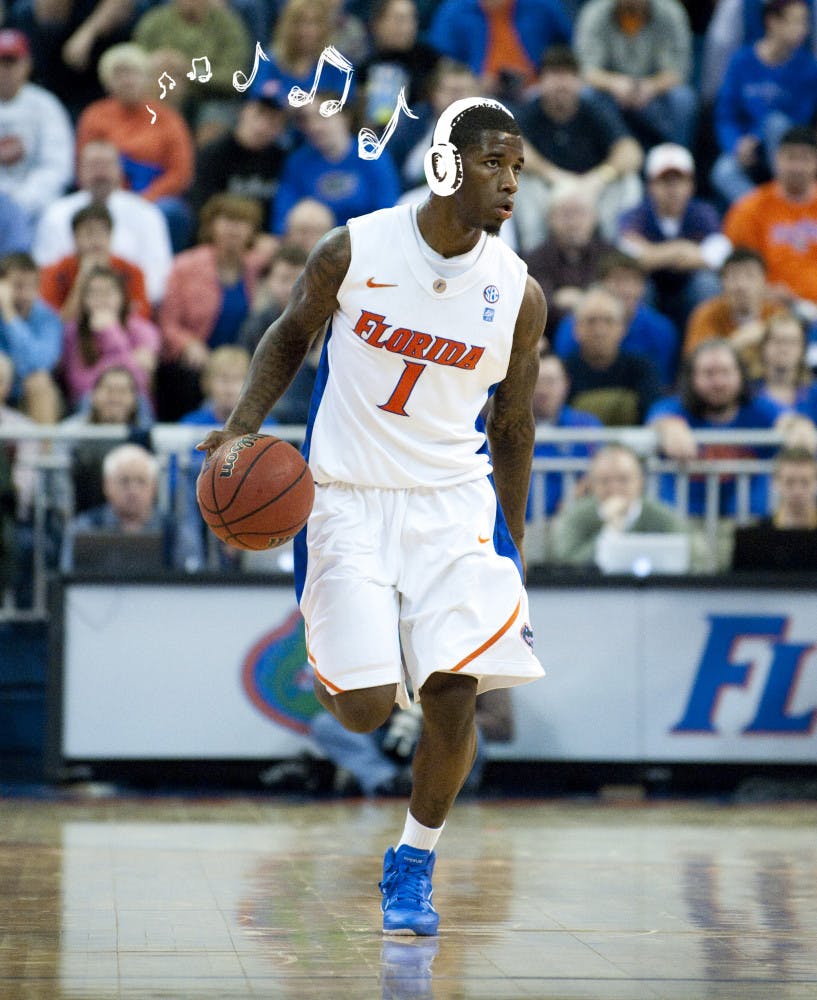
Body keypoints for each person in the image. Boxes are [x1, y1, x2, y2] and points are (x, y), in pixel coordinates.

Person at [198, 97, 546, 936]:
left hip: (453, 503)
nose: (507, 183)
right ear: (444, 165)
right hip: (345, 497)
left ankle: (413, 861)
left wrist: (514, 531)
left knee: (454, 691)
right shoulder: (354, 247)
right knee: (360, 706)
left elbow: (513, 423)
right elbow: (288, 337)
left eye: (517, 169)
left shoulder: (517, 292)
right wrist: (241, 431)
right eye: (492, 163)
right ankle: (356, 660)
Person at [647, 338, 815, 517]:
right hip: (687, 521)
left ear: (740, 374)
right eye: (709, 373)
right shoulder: (674, 408)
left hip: (748, 522)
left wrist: (799, 426)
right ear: (692, 377)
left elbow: (788, 418)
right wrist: (669, 428)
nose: (718, 382)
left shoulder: (757, 407)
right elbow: (659, 417)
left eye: (726, 372)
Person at [514, 45, 643, 252]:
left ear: (580, 82)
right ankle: (534, 255)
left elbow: (631, 152)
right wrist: (554, 175)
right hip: (550, 189)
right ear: (540, 82)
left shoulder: (594, 110)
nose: (561, 84)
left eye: (568, 76)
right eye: (554, 75)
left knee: (629, 181)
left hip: (592, 189)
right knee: (518, 180)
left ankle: (619, 256)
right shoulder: (531, 111)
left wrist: (599, 178)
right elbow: (512, 148)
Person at [75, 43, 195, 254]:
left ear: (148, 79)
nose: (128, 81)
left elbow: (180, 173)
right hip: (105, 194)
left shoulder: (168, 118)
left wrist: (146, 198)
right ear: (107, 81)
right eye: (119, 75)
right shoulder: (94, 116)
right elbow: (84, 165)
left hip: (153, 197)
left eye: (134, 74)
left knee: (173, 212)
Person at [156, 194, 265, 421]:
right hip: (200, 358)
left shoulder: (259, 266)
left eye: (241, 222)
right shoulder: (185, 266)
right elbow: (167, 323)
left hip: (245, 359)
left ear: (252, 231)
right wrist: (188, 344)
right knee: (182, 375)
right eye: (226, 221)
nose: (233, 229)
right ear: (211, 226)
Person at [32, 140, 173, 308]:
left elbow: (158, 275)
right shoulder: (56, 213)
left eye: (106, 165)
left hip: (130, 308)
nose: (100, 173)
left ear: (120, 170)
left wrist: (121, 306)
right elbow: (45, 273)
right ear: (78, 171)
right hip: (69, 307)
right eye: (93, 165)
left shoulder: (146, 213)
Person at [711, 0, 817, 206]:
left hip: (789, 149)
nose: (803, 30)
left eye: (805, 23)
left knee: (776, 123)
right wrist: (736, 144)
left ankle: (784, 198)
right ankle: (763, 211)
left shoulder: (808, 67)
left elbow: (799, 118)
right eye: (795, 22)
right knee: (722, 171)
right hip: (748, 149)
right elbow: (725, 114)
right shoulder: (741, 61)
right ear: (772, 22)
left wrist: (758, 138)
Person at [617, 143, 729, 332]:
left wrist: (655, 255)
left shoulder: (703, 213)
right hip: (651, 290)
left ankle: (701, 340)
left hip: (689, 290)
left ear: (691, 185)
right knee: (634, 286)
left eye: (679, 180)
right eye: (664, 181)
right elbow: (629, 256)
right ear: (650, 185)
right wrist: (681, 250)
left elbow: (719, 256)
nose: (672, 188)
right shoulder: (636, 214)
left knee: (706, 284)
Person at [574, 0, 697, 149]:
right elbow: (585, 70)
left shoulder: (671, 12)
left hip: (655, 95)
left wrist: (651, 86)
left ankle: (674, 160)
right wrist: (615, 84)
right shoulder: (594, 12)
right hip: (611, 96)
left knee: (683, 98)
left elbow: (679, 70)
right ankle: (604, 154)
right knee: (586, 95)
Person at [271, 96, 401, 235]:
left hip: (363, 240)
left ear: (345, 116)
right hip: (313, 245)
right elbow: (282, 218)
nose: (314, 126)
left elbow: (388, 209)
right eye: (307, 119)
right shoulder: (298, 162)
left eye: (323, 116)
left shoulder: (372, 156)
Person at [553, 249, 680, 389]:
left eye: (634, 281)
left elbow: (663, 383)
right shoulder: (571, 325)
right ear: (600, 284)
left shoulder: (661, 329)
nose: (627, 289)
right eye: (618, 280)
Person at [722, 125, 817, 310]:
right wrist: (765, 290)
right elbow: (737, 269)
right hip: (769, 308)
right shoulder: (749, 209)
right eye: (790, 157)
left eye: (804, 158)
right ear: (776, 159)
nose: (797, 167)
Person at [132, 0, 251, 142]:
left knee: (214, 123)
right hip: (163, 90)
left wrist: (189, 71)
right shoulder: (155, 21)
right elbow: (135, 62)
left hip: (212, 96)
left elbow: (234, 79)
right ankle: (158, 148)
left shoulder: (228, 25)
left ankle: (203, 162)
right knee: (164, 84)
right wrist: (158, 63)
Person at [552, 442, 686, 566]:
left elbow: (694, 555)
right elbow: (565, 562)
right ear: (591, 484)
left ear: (640, 481)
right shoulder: (575, 516)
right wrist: (611, 530)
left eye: (623, 480)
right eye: (605, 481)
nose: (614, 488)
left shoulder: (661, 516)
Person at [427, 0, 572, 102]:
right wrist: (474, 82)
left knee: (577, 94)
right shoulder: (454, 10)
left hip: (538, 90)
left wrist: (547, 77)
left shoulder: (543, 5)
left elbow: (568, 49)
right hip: (480, 93)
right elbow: (442, 63)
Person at [55, 364, 153, 516]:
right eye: (108, 390)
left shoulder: (146, 435)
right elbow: (60, 488)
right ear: (93, 395)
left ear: (134, 400)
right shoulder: (70, 433)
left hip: (137, 522)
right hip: (82, 517)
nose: (115, 398)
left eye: (122, 392)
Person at [60, 442, 173, 573]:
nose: (133, 490)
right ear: (107, 486)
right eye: (124, 481)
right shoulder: (84, 528)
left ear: (154, 487)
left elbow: (189, 577)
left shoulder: (173, 530)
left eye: (141, 481)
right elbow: (67, 578)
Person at [60, 265, 160, 410]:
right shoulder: (73, 331)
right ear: (84, 300)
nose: (101, 299)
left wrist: (111, 332)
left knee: (139, 402)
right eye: (95, 293)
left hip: (133, 404)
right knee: (89, 400)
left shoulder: (145, 330)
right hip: (90, 402)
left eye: (108, 292)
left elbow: (140, 381)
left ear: (122, 296)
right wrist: (128, 359)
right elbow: (78, 384)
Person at [0, 28, 74, 225]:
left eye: (11, 62)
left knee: (57, 216)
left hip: (36, 205)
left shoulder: (46, 105)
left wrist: (20, 202)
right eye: (1, 63)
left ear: (27, 65)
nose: (5, 70)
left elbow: (57, 165)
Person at [524, 184, 615, 343]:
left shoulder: (609, 254)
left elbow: (617, 298)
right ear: (550, 219)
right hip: (549, 338)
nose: (573, 222)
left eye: (580, 213)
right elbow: (539, 304)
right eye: (566, 214)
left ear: (595, 218)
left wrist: (581, 301)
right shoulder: (534, 259)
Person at [563, 285, 663, 425]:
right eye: (591, 321)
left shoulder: (642, 367)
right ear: (576, 328)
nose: (600, 331)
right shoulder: (563, 370)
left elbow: (657, 412)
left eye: (608, 321)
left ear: (623, 328)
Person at [188, 88, 291, 223]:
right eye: (259, 114)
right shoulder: (213, 154)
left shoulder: (282, 160)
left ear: (282, 127)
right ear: (244, 111)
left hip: (263, 240)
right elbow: (200, 207)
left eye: (273, 120)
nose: (262, 125)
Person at [527, 352, 602, 531]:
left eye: (550, 381)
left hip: (571, 528)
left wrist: (581, 492)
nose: (542, 389)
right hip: (511, 531)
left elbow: (604, 465)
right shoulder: (503, 425)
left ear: (566, 384)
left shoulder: (586, 425)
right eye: (535, 380)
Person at [39, 203, 151, 322]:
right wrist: (82, 280)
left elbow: (141, 320)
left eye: (102, 233)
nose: (96, 241)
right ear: (75, 238)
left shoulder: (131, 272)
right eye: (89, 233)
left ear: (111, 236)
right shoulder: (54, 272)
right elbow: (55, 324)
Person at [683, 247, 786, 366]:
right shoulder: (706, 315)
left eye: (750, 276)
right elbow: (694, 364)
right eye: (733, 276)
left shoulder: (778, 315)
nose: (741, 285)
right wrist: (739, 341)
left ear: (764, 281)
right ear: (722, 282)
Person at [731, 445, 817, 570]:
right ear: (775, 482)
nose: (797, 490)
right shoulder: (756, 539)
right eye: (789, 482)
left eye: (805, 482)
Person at [0, 252, 62, 423]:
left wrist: (10, 315)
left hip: (30, 396)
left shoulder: (48, 318)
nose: (26, 294)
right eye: (18, 286)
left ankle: (46, 450)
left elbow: (40, 363)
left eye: (32, 286)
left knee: (39, 381)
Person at [357, 0, 440, 129]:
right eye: (399, 20)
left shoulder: (433, 62)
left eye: (412, 19)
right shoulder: (364, 68)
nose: (408, 27)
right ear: (377, 24)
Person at [751, 309, 813, 407]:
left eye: (792, 342)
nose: (784, 349)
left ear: (802, 349)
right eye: (777, 341)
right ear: (763, 346)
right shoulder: (747, 394)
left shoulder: (813, 395)